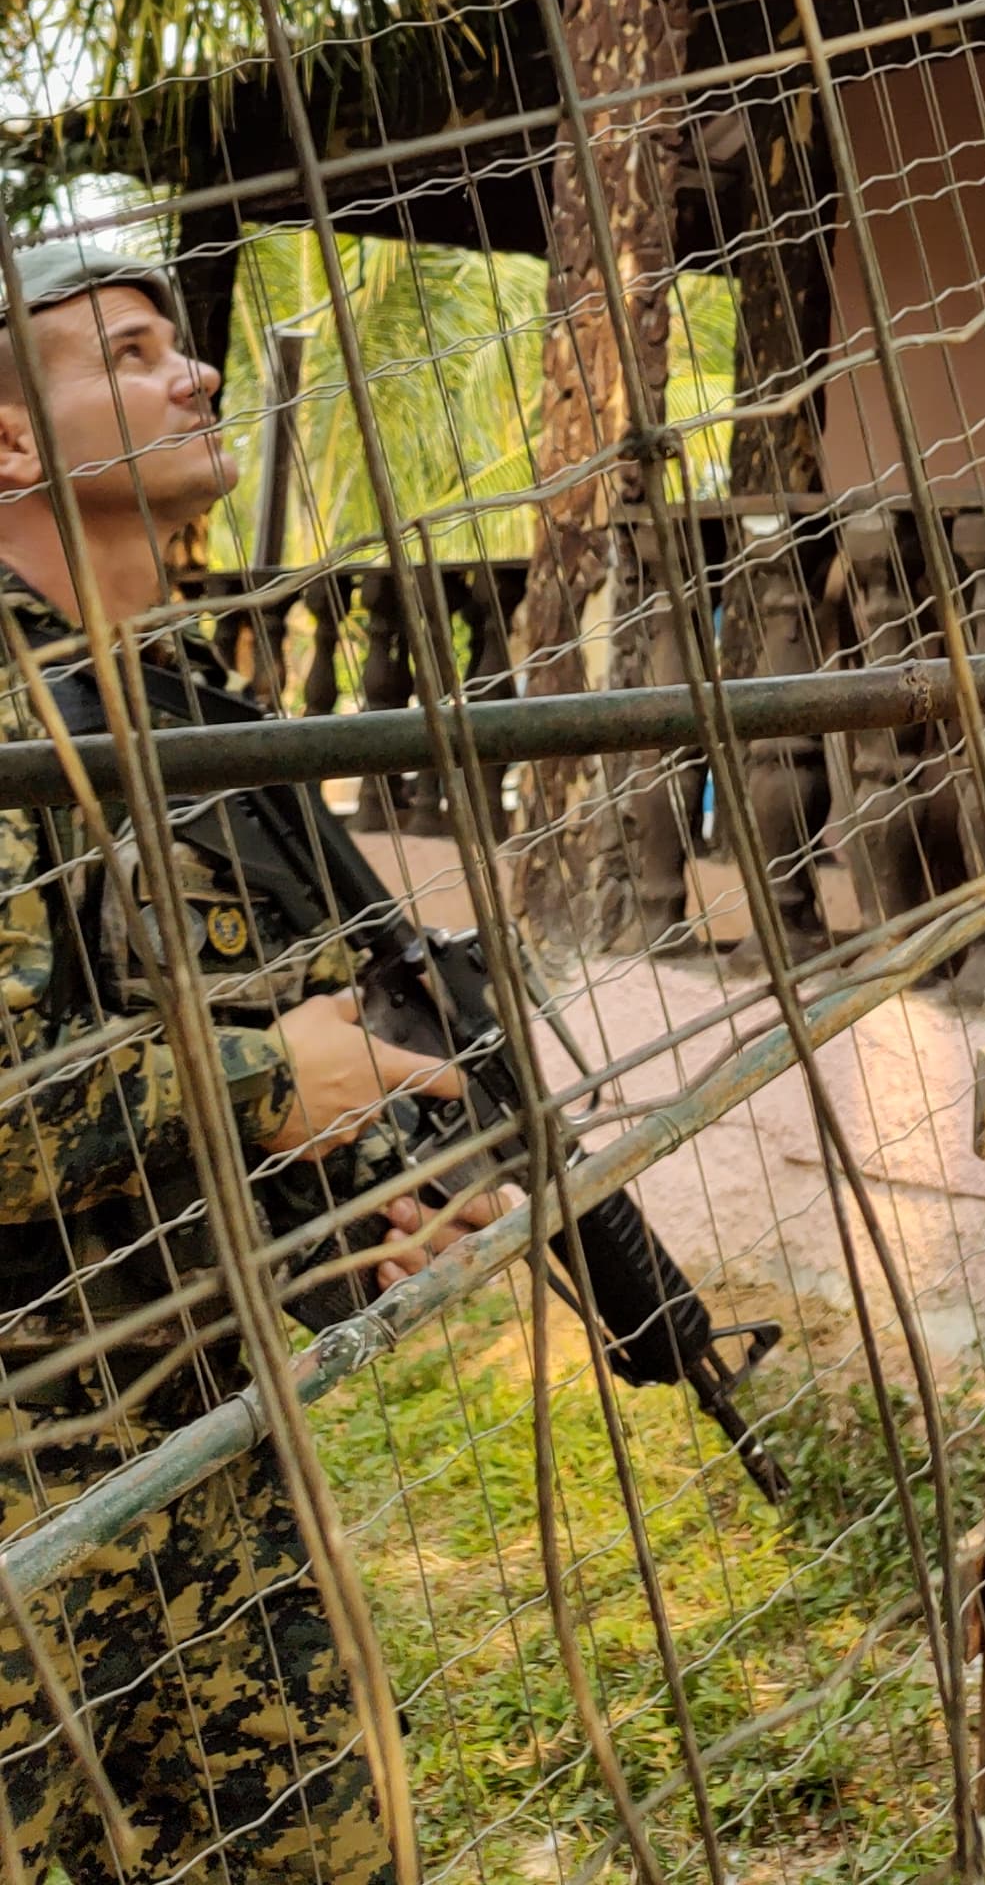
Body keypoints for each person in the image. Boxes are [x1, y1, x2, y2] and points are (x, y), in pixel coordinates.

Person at [0, 243, 489, 1881]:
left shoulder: (178, 691)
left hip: (193, 1442)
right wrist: (270, 1080)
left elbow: (166, 1018)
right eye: (133, 355)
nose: (194, 374)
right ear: (11, 446)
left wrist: (335, 1210)